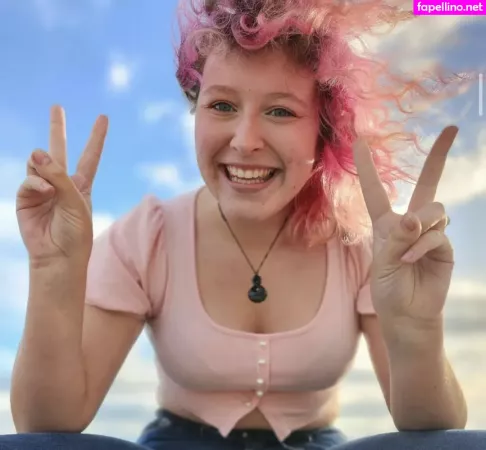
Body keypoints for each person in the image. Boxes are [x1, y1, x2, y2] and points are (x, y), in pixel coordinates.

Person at [2, 0, 485, 449]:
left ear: (324, 132)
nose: (245, 140)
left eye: (280, 111)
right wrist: (53, 269)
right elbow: (47, 424)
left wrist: (417, 326)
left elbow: (431, 427)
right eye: (222, 106)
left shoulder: (361, 243)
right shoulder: (148, 235)